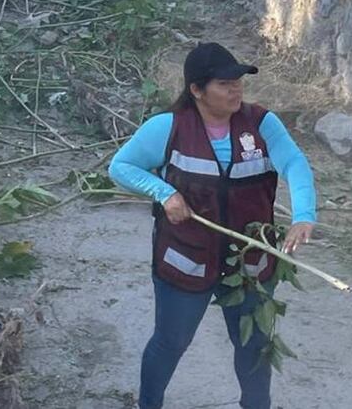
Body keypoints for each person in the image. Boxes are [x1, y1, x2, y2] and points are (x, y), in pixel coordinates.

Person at [108, 42, 317, 409]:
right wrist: (164, 193)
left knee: (253, 347)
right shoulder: (168, 128)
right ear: (196, 90)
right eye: (224, 83)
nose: (236, 89)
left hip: (249, 264)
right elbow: (121, 167)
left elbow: (295, 165)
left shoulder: (262, 124)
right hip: (185, 259)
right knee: (170, 342)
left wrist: (303, 216)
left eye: (238, 80)